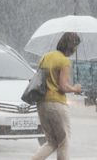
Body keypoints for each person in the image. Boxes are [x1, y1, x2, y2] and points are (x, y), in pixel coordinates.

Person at [32, 32, 82, 160]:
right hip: (56, 104)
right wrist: (75, 89)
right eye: (76, 47)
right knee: (63, 142)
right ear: (71, 47)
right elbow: (63, 87)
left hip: (42, 103)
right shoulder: (64, 61)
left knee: (51, 142)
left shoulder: (45, 57)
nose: (76, 50)